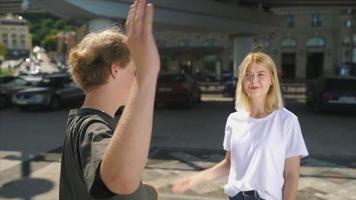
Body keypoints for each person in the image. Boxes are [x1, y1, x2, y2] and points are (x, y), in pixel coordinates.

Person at [172, 52, 308, 200]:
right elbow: (229, 163)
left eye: (261, 74)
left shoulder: (287, 121)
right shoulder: (234, 120)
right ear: (242, 81)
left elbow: (292, 174)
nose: (253, 80)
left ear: (272, 80)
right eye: (248, 75)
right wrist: (194, 180)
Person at [59, 0, 160, 199]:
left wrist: (146, 192)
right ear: (115, 70)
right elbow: (119, 180)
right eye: (134, 72)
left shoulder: (79, 122)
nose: (136, 78)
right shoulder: (93, 127)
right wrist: (148, 75)